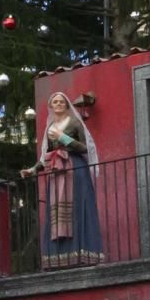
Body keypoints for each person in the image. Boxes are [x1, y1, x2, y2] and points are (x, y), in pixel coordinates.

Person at [37, 90, 103, 263]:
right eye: (55, 102)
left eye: (61, 102)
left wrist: (63, 138)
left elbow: (84, 148)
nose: (58, 104)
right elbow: (47, 154)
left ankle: (82, 253)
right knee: (56, 211)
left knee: (76, 207)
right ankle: (58, 256)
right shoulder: (50, 128)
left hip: (75, 168)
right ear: (50, 106)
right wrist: (33, 169)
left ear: (66, 105)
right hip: (56, 171)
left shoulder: (74, 122)